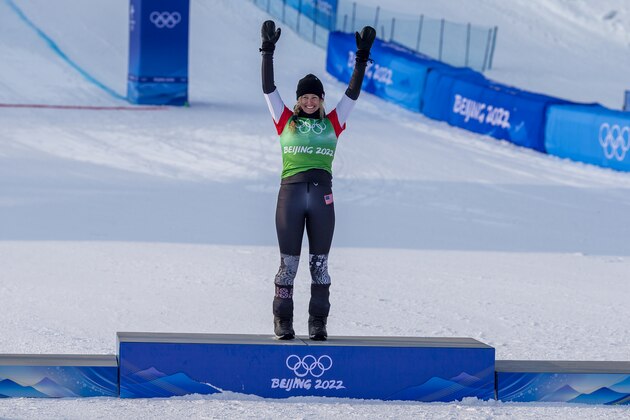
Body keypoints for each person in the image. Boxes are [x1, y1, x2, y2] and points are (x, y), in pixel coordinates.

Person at [260, 20, 375, 340]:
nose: (310, 101)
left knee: (320, 265)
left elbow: (352, 92)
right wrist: (267, 51)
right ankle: (283, 321)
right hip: (291, 195)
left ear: (322, 100)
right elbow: (268, 89)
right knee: (288, 265)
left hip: (322, 195)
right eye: (305, 97)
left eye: (315, 97)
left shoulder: (334, 122)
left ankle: (318, 323)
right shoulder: (285, 120)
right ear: (298, 101)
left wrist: (362, 58)